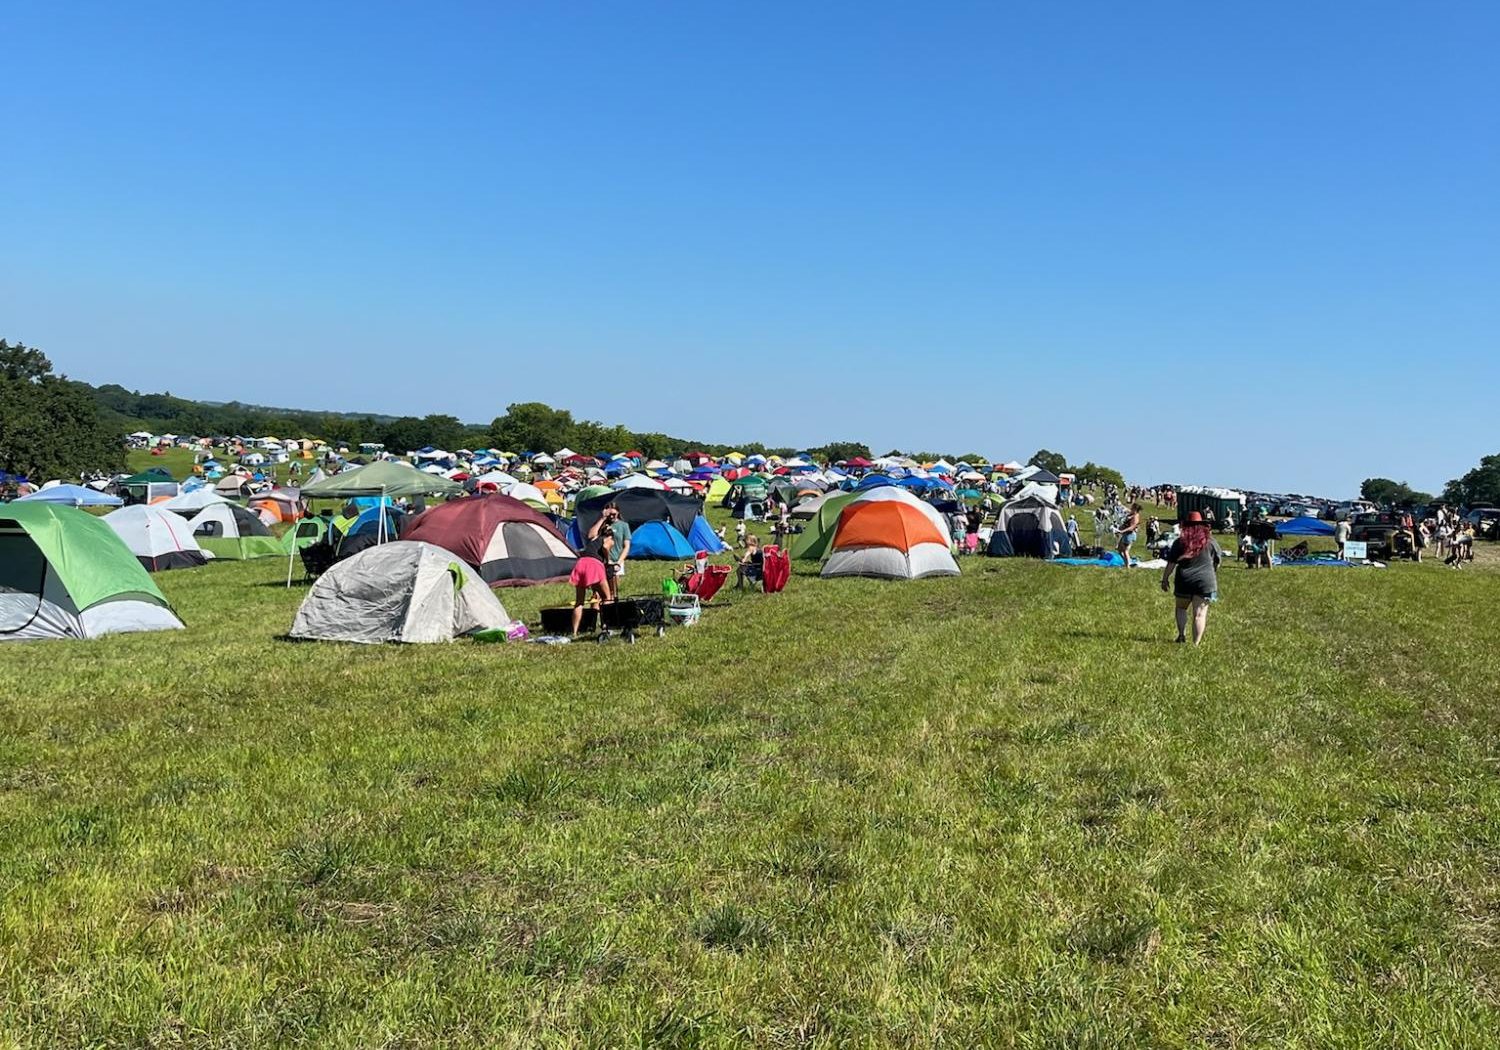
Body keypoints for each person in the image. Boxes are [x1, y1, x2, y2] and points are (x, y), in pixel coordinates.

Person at [1160, 511, 1221, 645]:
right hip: (1205, 581)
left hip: (1184, 580)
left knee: (1181, 608)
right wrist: (1212, 572)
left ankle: (1181, 635)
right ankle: (1196, 644)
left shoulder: (1179, 542)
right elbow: (1217, 560)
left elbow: (1171, 563)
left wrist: (1165, 579)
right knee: (1199, 615)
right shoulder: (1210, 542)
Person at [570, 523, 613, 636]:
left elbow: (591, 535)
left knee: (579, 602)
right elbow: (605, 547)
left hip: (581, 563)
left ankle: (574, 632)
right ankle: (606, 627)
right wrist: (608, 560)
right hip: (595, 565)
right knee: (607, 598)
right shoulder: (609, 539)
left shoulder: (594, 538)